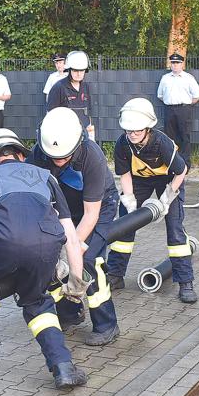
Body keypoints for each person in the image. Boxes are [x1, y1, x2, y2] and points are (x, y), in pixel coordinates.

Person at [0, 128, 90, 388]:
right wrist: (76, 285)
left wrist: (4, 269)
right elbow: (71, 238)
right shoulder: (46, 177)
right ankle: (63, 369)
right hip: (44, 248)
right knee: (38, 304)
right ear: (21, 155)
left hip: (0, 248)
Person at [28, 107, 121, 346]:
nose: (58, 161)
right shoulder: (40, 152)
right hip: (64, 205)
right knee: (48, 258)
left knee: (88, 259)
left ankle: (107, 324)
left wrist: (73, 246)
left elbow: (91, 213)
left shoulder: (92, 156)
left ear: (78, 143)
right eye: (54, 157)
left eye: (64, 157)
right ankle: (70, 312)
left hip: (98, 206)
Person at [107, 98, 197, 304]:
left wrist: (166, 198)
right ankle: (115, 275)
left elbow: (181, 171)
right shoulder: (122, 144)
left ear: (148, 128)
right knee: (124, 226)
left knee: (174, 229)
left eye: (137, 131)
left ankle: (185, 282)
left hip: (169, 179)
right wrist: (129, 200)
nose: (132, 135)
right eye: (129, 131)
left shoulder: (161, 142)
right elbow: (125, 174)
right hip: (139, 180)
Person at [157, 52, 199, 164]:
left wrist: (185, 105)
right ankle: (171, 162)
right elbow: (160, 95)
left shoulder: (188, 78)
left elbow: (197, 96)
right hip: (169, 109)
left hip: (184, 110)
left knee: (184, 136)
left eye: (177, 63)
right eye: (173, 63)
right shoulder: (165, 78)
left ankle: (185, 163)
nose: (175, 65)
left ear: (182, 64)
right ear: (170, 64)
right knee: (169, 137)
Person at [46, 50, 95, 141]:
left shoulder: (86, 87)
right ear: (69, 69)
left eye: (82, 70)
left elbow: (89, 113)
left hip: (84, 135)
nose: (79, 74)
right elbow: (51, 115)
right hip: (64, 136)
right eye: (75, 70)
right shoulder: (58, 87)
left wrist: (91, 136)